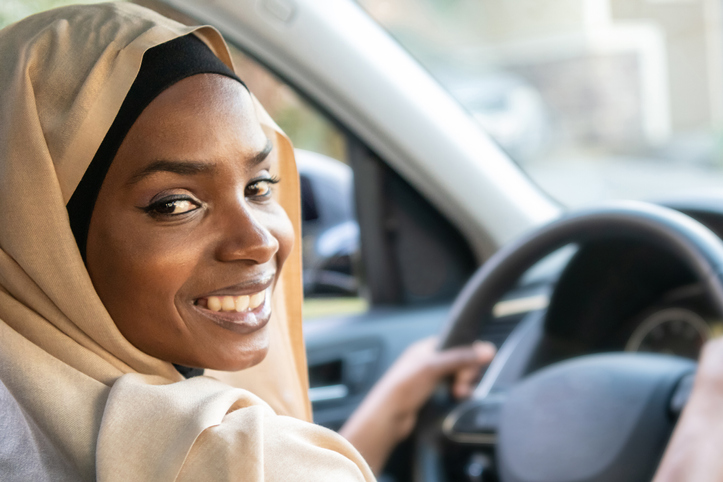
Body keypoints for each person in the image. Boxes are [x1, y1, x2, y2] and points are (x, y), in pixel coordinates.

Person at [0, 3, 494, 480]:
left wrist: (393, 405)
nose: (258, 241)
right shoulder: (249, 460)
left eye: (258, 187)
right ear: (42, 231)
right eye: (175, 204)